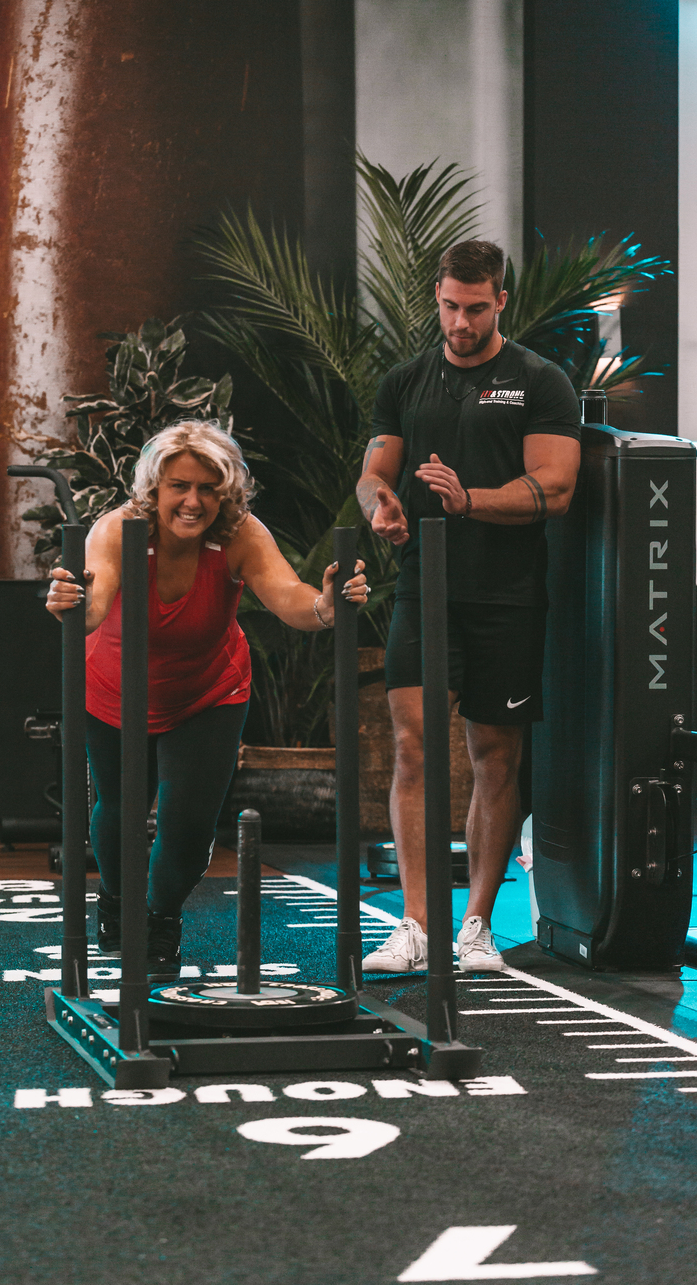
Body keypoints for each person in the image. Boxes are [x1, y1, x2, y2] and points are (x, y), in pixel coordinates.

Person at [47, 419, 368, 982]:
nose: (193, 501)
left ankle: (160, 919)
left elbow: (289, 598)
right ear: (155, 488)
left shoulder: (239, 534)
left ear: (226, 491)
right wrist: (69, 600)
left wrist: (326, 604)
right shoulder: (118, 529)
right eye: (179, 486)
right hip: (114, 687)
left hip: (209, 691)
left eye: (208, 488)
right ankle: (118, 901)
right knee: (119, 810)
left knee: (190, 824)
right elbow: (93, 605)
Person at [355, 238, 581, 973]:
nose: (461, 322)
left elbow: (557, 485)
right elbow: (374, 472)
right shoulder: (406, 381)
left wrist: (469, 500)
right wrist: (381, 505)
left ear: (501, 301)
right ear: (438, 297)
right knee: (413, 747)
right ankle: (417, 925)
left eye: (476, 308)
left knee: (494, 755)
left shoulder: (539, 381)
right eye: (451, 306)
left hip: (507, 596)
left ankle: (477, 926)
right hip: (425, 585)